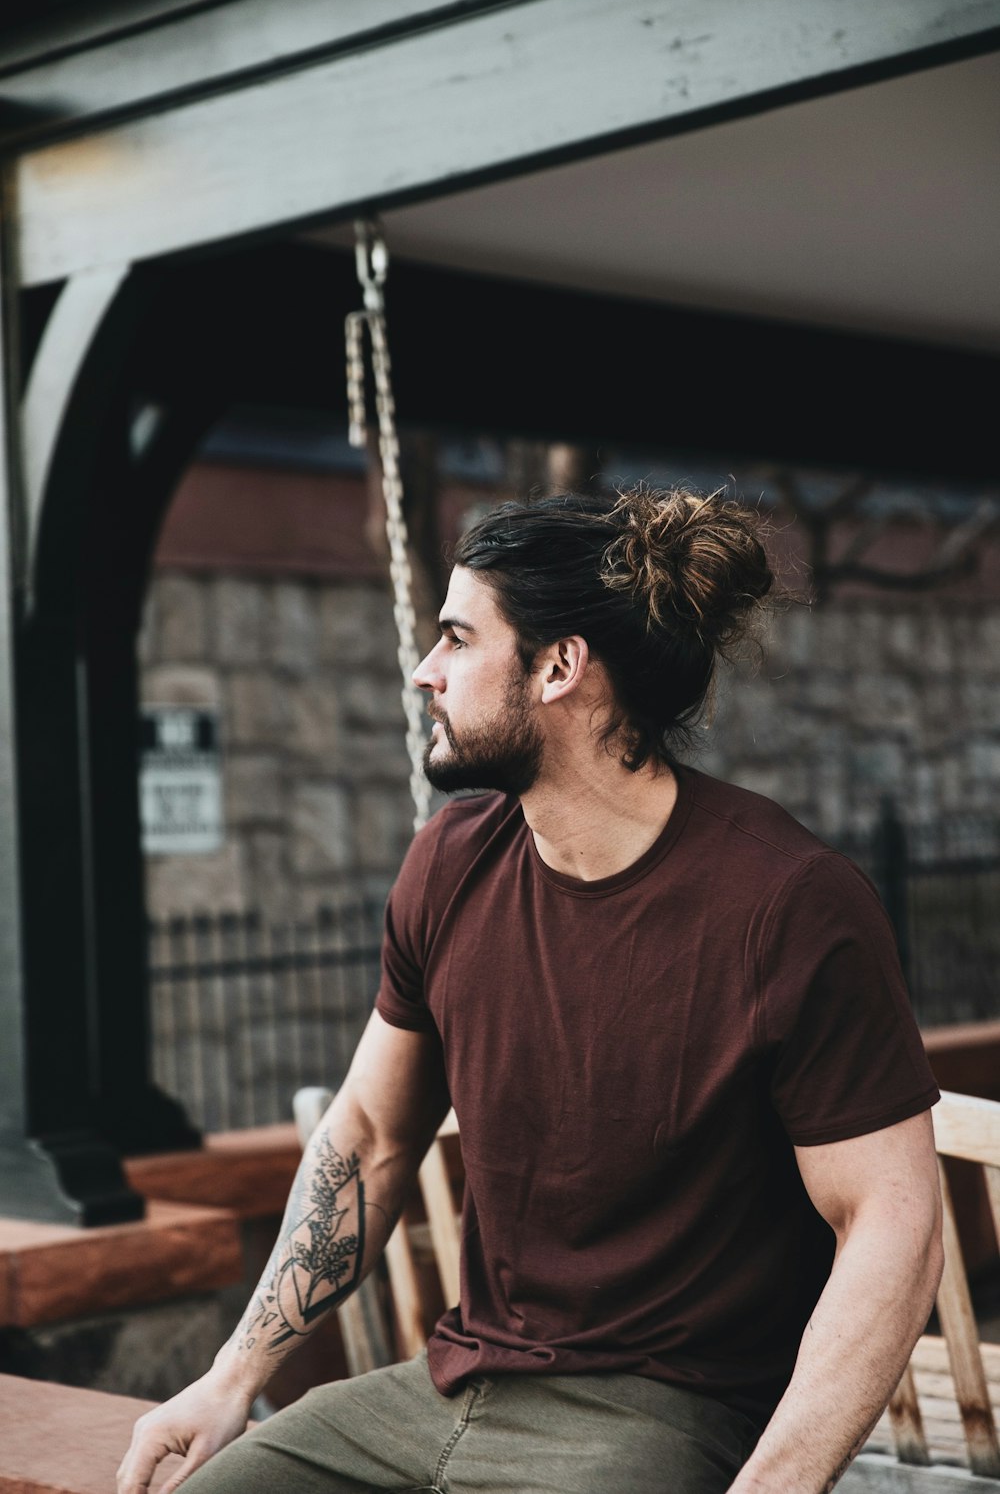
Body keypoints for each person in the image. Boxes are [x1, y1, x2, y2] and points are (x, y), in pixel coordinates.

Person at [118, 487, 943, 1494]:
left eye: (459, 640)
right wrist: (228, 1378)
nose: (426, 672)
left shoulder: (787, 904)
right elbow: (372, 1138)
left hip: (656, 1414)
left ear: (559, 668)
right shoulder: (449, 865)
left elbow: (891, 1228)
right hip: (450, 1384)